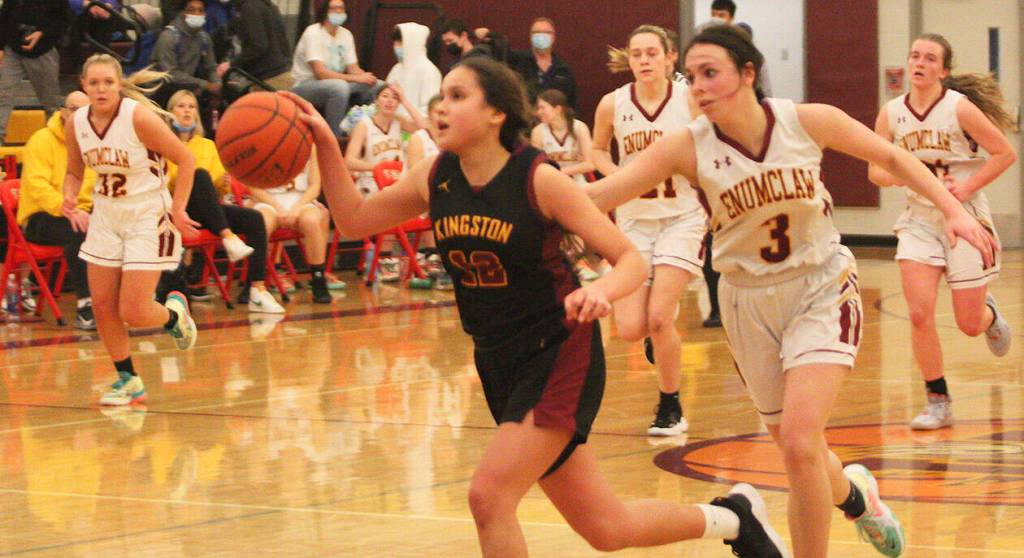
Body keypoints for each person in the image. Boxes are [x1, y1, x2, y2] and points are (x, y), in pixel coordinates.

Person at [282, 54, 789, 558]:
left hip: (558, 351)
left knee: (488, 496)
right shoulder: (434, 176)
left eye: (458, 96)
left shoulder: (540, 180)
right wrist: (326, 141)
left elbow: (630, 260)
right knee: (607, 528)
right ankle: (735, 519)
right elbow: (351, 220)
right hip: (497, 358)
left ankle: (737, 519)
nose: (441, 107)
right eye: (442, 97)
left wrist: (602, 291)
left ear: (496, 113)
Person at [587, 24, 998, 558]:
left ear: (748, 74)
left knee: (801, 442)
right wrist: (530, 189)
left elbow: (894, 159)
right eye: (695, 78)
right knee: (796, 448)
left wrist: (954, 213)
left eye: (712, 73)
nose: (701, 88)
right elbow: (601, 195)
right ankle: (857, 498)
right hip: (746, 301)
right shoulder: (684, 148)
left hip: (820, 287)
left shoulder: (807, 121)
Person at [868, 33, 1015, 431]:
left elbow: (1005, 152)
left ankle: (989, 316)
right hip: (918, 220)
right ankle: (937, 398)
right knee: (919, 313)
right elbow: (875, 170)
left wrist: (964, 189)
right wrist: (902, 174)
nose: (919, 63)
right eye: (915, 55)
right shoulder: (892, 113)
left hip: (963, 215)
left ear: (943, 70)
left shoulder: (959, 109)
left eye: (930, 58)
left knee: (968, 323)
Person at [64, 54, 201, 406]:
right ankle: (128, 380)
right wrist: (68, 196)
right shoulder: (76, 122)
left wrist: (179, 209)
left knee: (135, 311)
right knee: (103, 305)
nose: (101, 89)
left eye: (108, 82)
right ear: (83, 85)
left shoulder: (137, 117)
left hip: (146, 217)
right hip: (106, 218)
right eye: (93, 83)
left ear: (119, 84)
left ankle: (174, 315)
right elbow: (74, 172)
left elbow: (186, 160)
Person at [592, 25, 705, 437]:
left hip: (682, 216)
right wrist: (618, 176)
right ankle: (657, 336)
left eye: (651, 53)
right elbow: (598, 149)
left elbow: (712, 144)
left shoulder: (689, 99)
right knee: (630, 329)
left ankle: (671, 406)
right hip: (635, 220)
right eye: (636, 53)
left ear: (669, 58)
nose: (643, 60)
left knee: (659, 316)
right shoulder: (613, 103)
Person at [165, 89, 285, 313]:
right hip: (178, 209)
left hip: (208, 210)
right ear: (170, 112)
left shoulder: (208, 145)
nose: (187, 111)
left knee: (255, 218)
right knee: (198, 174)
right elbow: (168, 181)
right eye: (181, 106)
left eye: (191, 106)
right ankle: (228, 237)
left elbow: (221, 186)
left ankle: (256, 290)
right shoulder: (163, 144)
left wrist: (220, 181)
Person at [17, 92, 96, 329]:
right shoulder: (40, 140)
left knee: (113, 224)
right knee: (78, 230)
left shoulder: (91, 143)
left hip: (80, 211)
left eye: (85, 110)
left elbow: (95, 184)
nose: (79, 115)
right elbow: (37, 186)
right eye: (73, 109)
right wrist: (67, 208)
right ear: (62, 111)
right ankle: (85, 305)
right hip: (40, 217)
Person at [344, 84, 427, 282]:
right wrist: (375, 168)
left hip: (397, 182)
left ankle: (427, 255)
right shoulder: (365, 125)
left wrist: (406, 101)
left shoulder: (399, 122)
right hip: (370, 183)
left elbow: (425, 128)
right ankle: (385, 260)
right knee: (391, 203)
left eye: (394, 98)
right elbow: (349, 161)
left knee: (424, 200)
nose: (390, 101)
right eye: (385, 96)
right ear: (376, 100)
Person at [246, 146, 336, 303]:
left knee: (312, 221)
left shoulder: (310, 145)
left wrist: (296, 207)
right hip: (268, 199)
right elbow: (252, 185)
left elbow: (315, 186)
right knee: (261, 224)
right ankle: (254, 282)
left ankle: (318, 279)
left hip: (301, 199)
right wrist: (277, 207)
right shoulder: (260, 140)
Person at [291, 0, 381, 139]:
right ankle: (334, 137)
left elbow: (353, 68)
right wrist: (356, 78)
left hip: (337, 83)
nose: (338, 12)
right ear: (325, 11)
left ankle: (363, 132)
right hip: (306, 85)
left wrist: (367, 78)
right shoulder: (313, 33)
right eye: (333, 9)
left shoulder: (346, 34)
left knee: (378, 86)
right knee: (339, 87)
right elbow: (321, 73)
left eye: (341, 8)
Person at [0, 0, 68, 138]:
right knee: (3, 97)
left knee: (51, 105)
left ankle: (55, 142)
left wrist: (42, 33)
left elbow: (64, 20)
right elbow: (4, 16)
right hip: (13, 50)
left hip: (43, 52)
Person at [406, 94, 454, 290]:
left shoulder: (452, 139)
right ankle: (438, 260)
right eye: (437, 111)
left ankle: (446, 260)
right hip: (419, 196)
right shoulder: (419, 138)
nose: (442, 115)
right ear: (429, 115)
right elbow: (416, 178)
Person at [151, 0, 222, 110]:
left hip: (187, 83)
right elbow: (170, 74)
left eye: (200, 11)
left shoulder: (204, 38)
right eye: (191, 10)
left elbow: (211, 67)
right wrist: (206, 85)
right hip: (161, 87)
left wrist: (217, 86)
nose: (196, 14)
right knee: (196, 90)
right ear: (182, 12)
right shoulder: (168, 37)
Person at [216, 0, 292, 91]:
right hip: (284, 74)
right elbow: (285, 44)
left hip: (267, 79)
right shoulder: (270, 6)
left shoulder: (249, 7)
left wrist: (231, 64)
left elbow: (258, 46)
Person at [507, 17, 577, 108]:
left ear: (554, 37)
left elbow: (572, 105)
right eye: (537, 32)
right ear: (530, 36)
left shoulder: (563, 70)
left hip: (554, 120)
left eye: (547, 33)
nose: (542, 36)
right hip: (525, 120)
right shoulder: (517, 62)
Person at [386, 22, 442, 117]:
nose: (396, 46)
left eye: (400, 42)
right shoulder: (397, 68)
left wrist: (404, 118)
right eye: (395, 42)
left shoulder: (429, 71)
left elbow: (430, 109)